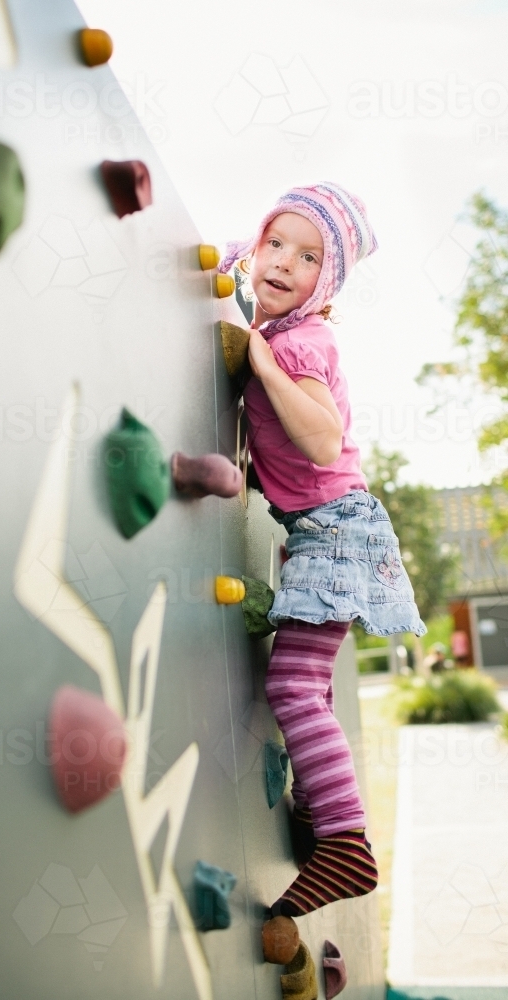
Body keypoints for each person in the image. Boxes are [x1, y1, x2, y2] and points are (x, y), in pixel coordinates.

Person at [218, 183, 426, 917]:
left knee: (292, 689)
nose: (282, 263)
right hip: (329, 527)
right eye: (273, 242)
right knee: (309, 682)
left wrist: (261, 362)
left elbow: (319, 438)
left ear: (324, 283)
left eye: (307, 257)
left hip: (336, 526)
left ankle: (343, 841)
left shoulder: (301, 342)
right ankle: (318, 810)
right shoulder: (282, 333)